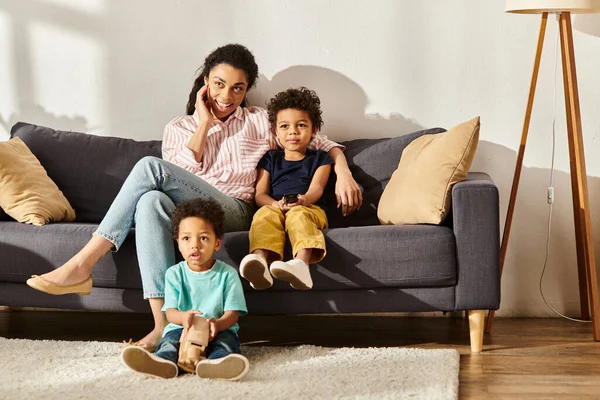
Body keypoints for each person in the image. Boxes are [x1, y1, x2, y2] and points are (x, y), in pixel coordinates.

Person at [26, 43, 362, 351]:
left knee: (148, 168)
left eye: (237, 88)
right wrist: (203, 124)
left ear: (246, 90)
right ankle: (161, 325)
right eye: (218, 84)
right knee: (149, 201)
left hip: (233, 210)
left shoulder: (259, 121)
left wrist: (343, 171)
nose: (227, 95)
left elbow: (319, 141)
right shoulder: (178, 128)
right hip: (187, 212)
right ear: (205, 82)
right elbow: (174, 175)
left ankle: (83, 264)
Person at [121, 197, 249, 380]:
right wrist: (184, 318)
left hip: (218, 329)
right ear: (178, 243)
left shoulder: (228, 274)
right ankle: (162, 363)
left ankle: (217, 364)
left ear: (217, 243)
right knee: (170, 342)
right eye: (186, 238)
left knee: (226, 343)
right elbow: (170, 313)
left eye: (203, 238)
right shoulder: (174, 274)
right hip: (180, 327)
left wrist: (217, 324)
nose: (194, 245)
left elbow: (233, 314)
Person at [239, 87, 332, 291]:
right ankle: (260, 262)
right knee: (264, 214)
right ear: (275, 131)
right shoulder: (270, 158)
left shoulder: (321, 158)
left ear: (314, 129)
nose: (293, 132)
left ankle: (301, 266)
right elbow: (260, 194)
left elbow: (317, 188)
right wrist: (275, 204)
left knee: (297, 214)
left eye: (301, 125)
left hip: (310, 208)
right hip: (276, 206)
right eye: (284, 126)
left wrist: (304, 200)